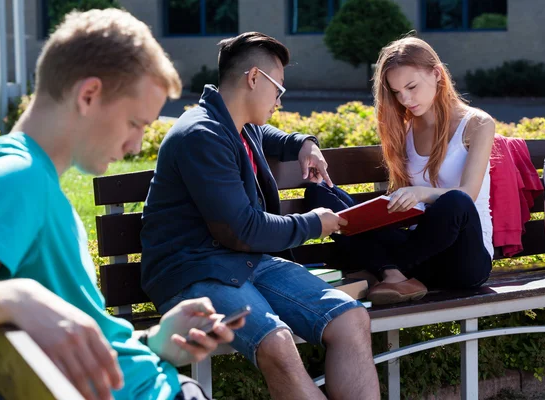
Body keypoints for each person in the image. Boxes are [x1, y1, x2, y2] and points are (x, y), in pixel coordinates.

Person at [0, 9, 243, 400]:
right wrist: (18, 298)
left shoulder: (27, 176)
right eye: (135, 123)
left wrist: (153, 342)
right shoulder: (17, 178)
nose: (136, 145)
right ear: (89, 95)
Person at [140, 32, 380, 399]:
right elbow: (242, 230)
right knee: (277, 343)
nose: (280, 101)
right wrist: (315, 223)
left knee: (351, 318)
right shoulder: (201, 135)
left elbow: (271, 135)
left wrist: (306, 144)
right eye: (278, 90)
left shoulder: (239, 125)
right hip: (195, 270)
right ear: (254, 78)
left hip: (247, 262)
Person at [305, 36, 494, 306]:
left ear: (437, 74)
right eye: (396, 92)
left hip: (463, 261)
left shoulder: (477, 123)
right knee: (320, 195)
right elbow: (402, 212)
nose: (405, 98)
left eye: (411, 86)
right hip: (419, 257)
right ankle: (392, 273)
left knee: (456, 202)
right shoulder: (404, 130)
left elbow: (469, 193)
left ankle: (383, 268)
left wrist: (421, 193)